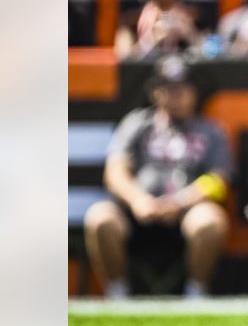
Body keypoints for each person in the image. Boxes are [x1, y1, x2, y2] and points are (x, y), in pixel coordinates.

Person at [82, 55, 231, 298]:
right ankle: (117, 294)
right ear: (155, 91)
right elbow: (114, 172)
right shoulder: (137, 124)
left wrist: (179, 202)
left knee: (210, 220)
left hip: (185, 214)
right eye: (169, 87)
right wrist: (138, 200)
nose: (177, 93)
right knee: (99, 217)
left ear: (195, 91)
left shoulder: (210, 130)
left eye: (184, 86)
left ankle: (196, 294)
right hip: (135, 213)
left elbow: (218, 181)